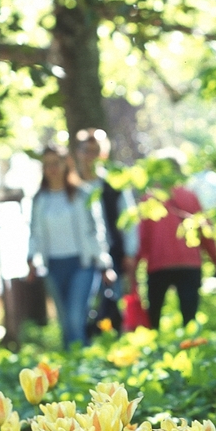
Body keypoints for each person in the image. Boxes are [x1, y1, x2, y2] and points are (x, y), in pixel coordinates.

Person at [27, 144, 108, 348]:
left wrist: (105, 263)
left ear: (66, 164)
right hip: (54, 266)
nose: (52, 168)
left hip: (82, 264)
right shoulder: (40, 199)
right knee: (64, 323)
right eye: (47, 165)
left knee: (75, 318)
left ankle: (83, 365)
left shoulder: (82, 194)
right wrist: (31, 259)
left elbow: (96, 230)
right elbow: (35, 232)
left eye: (56, 163)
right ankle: (70, 370)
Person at [130, 155, 216, 329]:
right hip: (189, 264)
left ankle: (154, 348)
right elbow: (206, 231)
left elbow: (142, 239)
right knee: (189, 317)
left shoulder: (149, 199)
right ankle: (190, 346)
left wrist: (134, 267)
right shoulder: (189, 196)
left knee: (153, 317)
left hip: (159, 265)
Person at [72, 129, 130, 336]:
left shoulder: (113, 186)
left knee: (111, 305)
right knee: (82, 311)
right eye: (87, 151)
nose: (91, 156)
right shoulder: (71, 187)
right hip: (80, 258)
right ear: (79, 153)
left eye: (95, 151)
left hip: (112, 254)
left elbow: (128, 220)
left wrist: (130, 253)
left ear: (103, 154)